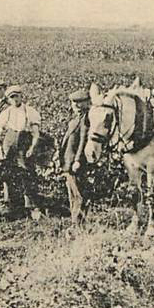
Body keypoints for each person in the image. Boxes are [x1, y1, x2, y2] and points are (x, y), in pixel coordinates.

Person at [0, 85, 42, 218]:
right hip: (9, 143)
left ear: (21, 96)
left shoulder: (30, 112)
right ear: (8, 99)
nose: (14, 99)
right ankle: (10, 203)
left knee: (27, 172)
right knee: (7, 172)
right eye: (11, 97)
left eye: (16, 96)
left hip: (24, 143)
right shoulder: (6, 113)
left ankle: (31, 205)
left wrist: (32, 148)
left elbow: (36, 134)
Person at [59, 89, 93, 228]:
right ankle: (76, 221)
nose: (76, 106)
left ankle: (78, 223)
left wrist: (78, 160)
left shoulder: (85, 120)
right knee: (72, 193)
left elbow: (83, 141)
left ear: (86, 104)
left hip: (75, 162)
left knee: (77, 193)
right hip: (68, 161)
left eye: (80, 103)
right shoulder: (75, 120)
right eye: (74, 103)